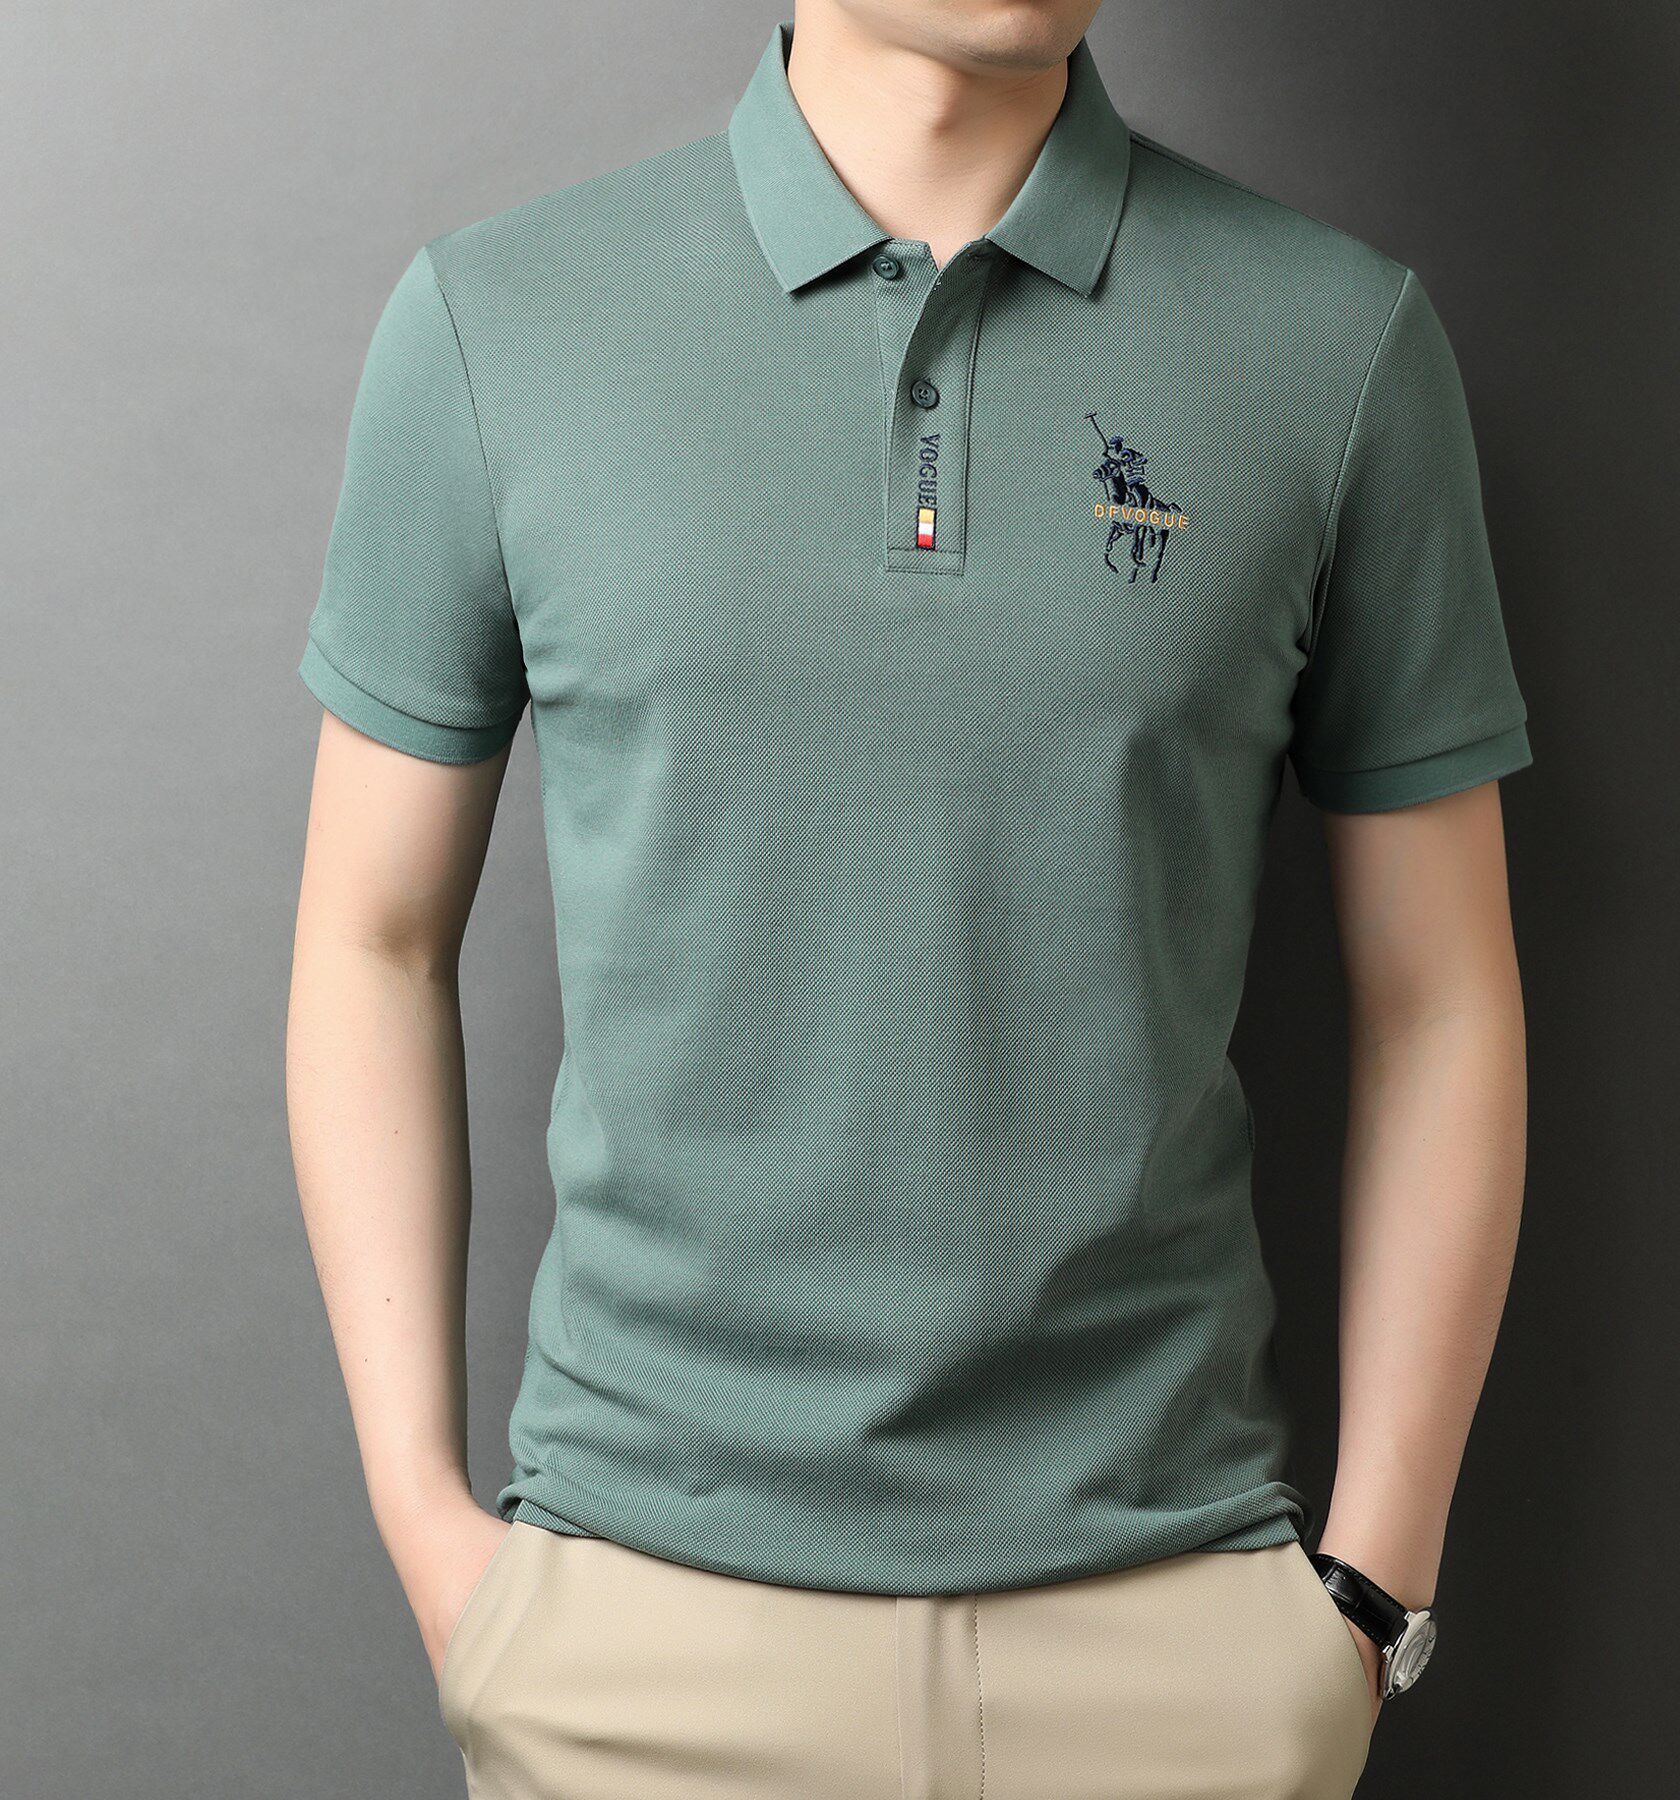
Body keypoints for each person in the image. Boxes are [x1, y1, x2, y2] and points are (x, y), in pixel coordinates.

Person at [287, 2, 1530, 1794]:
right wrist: (434, 1535)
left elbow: (1444, 999)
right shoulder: (501, 323)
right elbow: (369, 940)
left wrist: (1368, 1591)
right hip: (639, 1643)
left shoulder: (1336, 347)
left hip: (1175, 1648)